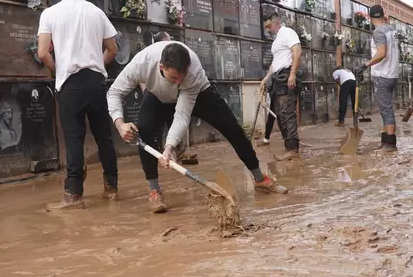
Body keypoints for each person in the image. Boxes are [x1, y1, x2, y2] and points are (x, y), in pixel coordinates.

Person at [108, 41, 288, 213]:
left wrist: (169, 146)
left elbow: (181, 115)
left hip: (199, 92)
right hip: (157, 94)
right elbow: (114, 92)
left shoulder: (192, 73)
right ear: (161, 67)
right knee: (145, 130)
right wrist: (119, 122)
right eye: (173, 77)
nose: (178, 81)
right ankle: (154, 191)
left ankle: (260, 179)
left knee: (233, 129)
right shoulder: (142, 63)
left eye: (181, 76)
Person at [37, 0, 119, 211]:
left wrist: (58, 68)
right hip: (95, 82)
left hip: (69, 83)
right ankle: (111, 188)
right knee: (104, 136)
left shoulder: (50, 14)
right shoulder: (96, 12)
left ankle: (74, 196)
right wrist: (97, 65)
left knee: (74, 139)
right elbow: (113, 49)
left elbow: (42, 53)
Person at [260, 13, 302, 160]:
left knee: (287, 113)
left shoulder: (287, 33)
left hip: (286, 76)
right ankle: (289, 147)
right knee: (279, 114)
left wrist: (292, 74)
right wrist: (266, 78)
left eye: (269, 26)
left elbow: (297, 51)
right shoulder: (276, 41)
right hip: (277, 78)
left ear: (277, 23)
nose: (268, 30)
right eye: (266, 27)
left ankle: (292, 148)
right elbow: (275, 63)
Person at [361, 5, 400, 152]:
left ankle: (390, 144)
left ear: (369, 17)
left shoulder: (378, 32)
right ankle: (385, 141)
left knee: (386, 110)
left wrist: (365, 65)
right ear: (383, 15)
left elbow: (382, 53)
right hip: (393, 74)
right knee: (386, 109)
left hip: (383, 75)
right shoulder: (391, 30)